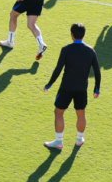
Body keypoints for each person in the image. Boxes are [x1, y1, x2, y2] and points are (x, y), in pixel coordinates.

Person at [43, 22, 101, 151]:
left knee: (58, 112)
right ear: (84, 34)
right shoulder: (90, 51)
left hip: (66, 88)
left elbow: (58, 69)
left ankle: (59, 141)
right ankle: (80, 139)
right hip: (81, 89)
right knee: (81, 114)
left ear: (72, 35)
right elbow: (97, 71)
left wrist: (49, 84)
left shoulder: (66, 49)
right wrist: (97, 88)